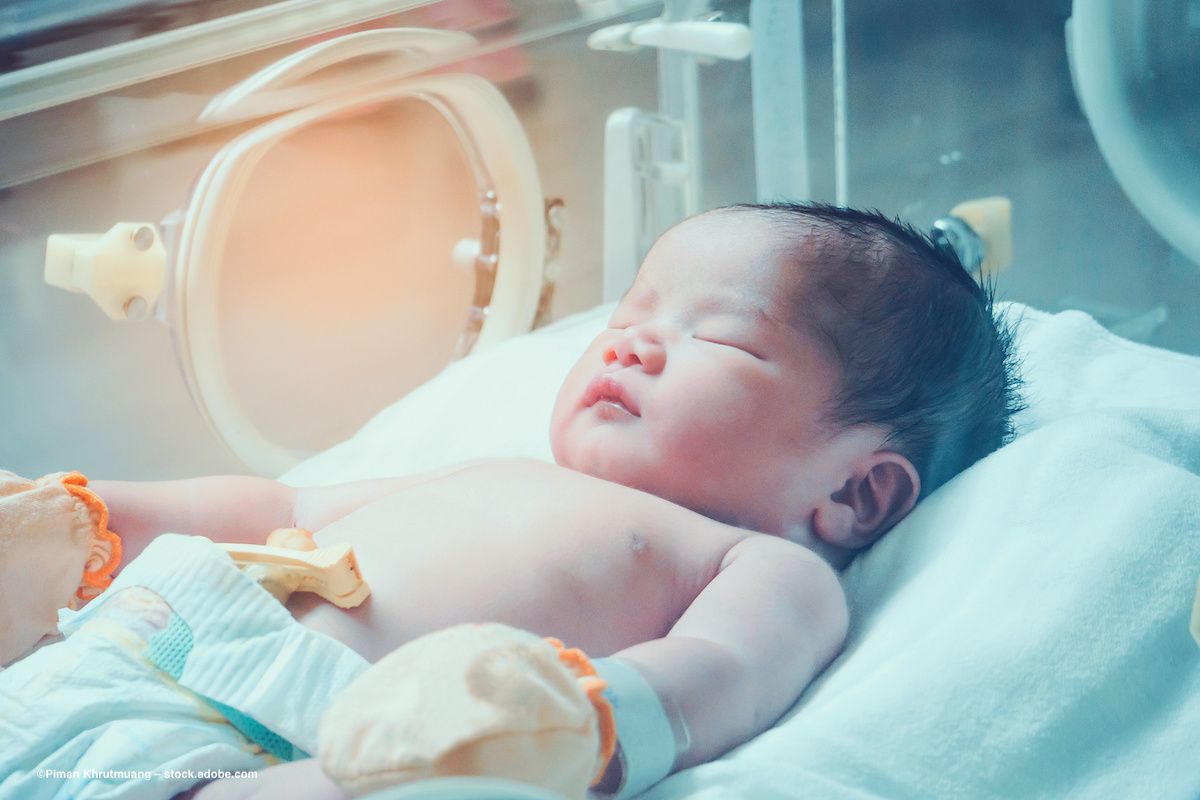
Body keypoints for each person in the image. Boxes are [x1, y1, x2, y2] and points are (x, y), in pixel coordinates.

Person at [0, 202, 1021, 800]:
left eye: (720, 336)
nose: (629, 340)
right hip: (109, 654)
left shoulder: (765, 568)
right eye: (632, 312)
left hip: (296, 745)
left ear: (858, 490)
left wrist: (561, 721)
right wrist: (96, 519)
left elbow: (709, 677)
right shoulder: (490, 469)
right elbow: (283, 496)